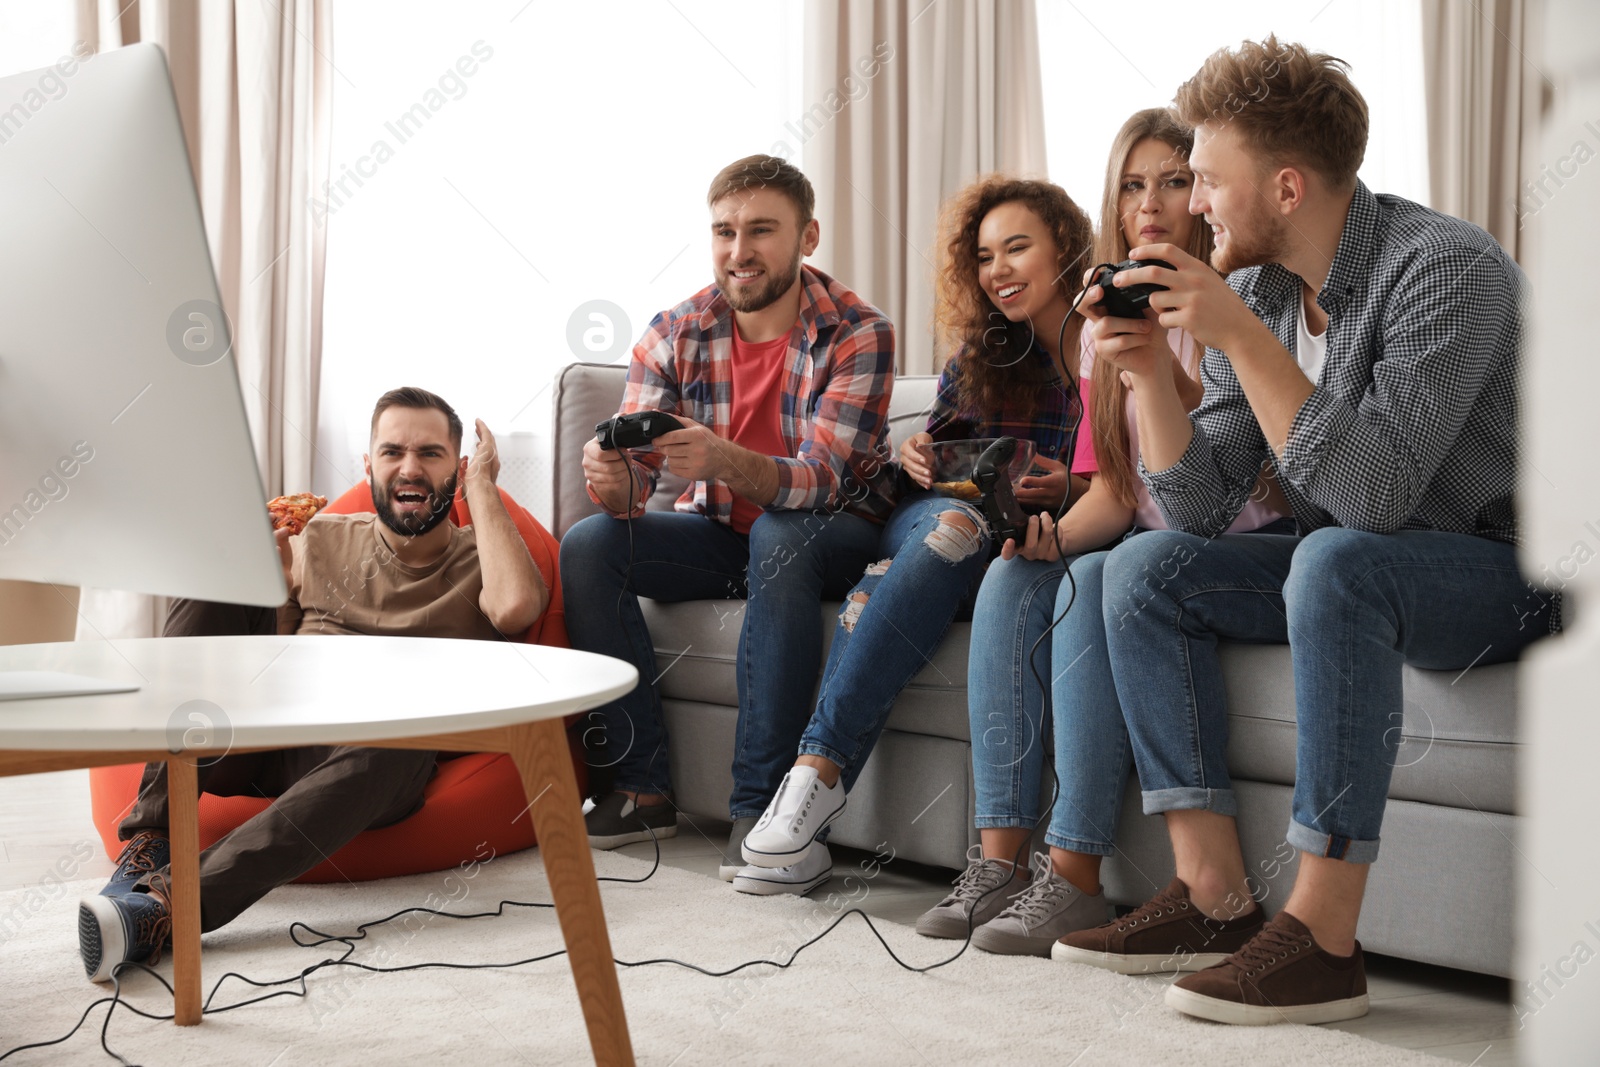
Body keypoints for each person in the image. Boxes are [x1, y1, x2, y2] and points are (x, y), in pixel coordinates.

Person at [1050, 38, 1548, 1025]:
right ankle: (1215, 898)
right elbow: (1193, 506)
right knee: (1143, 568)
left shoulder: (1443, 268)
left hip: (1510, 563)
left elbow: (1372, 501)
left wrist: (1234, 333)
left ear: (1283, 186)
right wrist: (1149, 369)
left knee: (1332, 556)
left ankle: (1322, 939)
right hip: (1363, 558)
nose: (1189, 205)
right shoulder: (1269, 289)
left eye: (1203, 180)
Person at [916, 109, 1286, 957]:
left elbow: (1240, 474)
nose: (1150, 201)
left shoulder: (1241, 306)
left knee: (1103, 581)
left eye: (1172, 180)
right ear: (1114, 205)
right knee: (1014, 575)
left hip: (1237, 539)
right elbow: (1115, 494)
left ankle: (1075, 873)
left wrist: (1161, 369)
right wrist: (1044, 537)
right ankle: (999, 860)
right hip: (1143, 537)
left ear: (1205, 192)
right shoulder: (1100, 331)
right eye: (1131, 184)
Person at [77, 387, 548, 982]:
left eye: (431, 453)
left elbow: (517, 608)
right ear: (368, 465)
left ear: (457, 467)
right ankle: (148, 841)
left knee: (398, 737)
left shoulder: (483, 558)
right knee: (222, 566)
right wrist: (270, 595)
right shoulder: (321, 536)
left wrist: (481, 488)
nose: (409, 467)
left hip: (370, 764)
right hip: (265, 734)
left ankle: (163, 909)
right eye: (392, 451)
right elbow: (272, 652)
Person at [736, 176, 1096, 894]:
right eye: (985, 255)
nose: (998, 270)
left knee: (881, 586)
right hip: (940, 515)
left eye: (1017, 248)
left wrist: (1071, 488)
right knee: (953, 523)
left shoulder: (1112, 349)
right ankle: (816, 774)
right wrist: (915, 455)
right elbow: (926, 463)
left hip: (1037, 537)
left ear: (1067, 251)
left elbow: (1129, 479)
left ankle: (803, 808)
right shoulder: (981, 355)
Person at [560, 155, 900, 895]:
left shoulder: (859, 332)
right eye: (724, 231)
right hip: (720, 532)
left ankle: (759, 806)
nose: (738, 250)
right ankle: (642, 789)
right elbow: (634, 491)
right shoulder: (674, 331)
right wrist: (614, 478)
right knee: (590, 545)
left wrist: (725, 458)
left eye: (761, 231)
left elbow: (822, 480)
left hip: (831, 534)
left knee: (780, 530)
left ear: (807, 236)